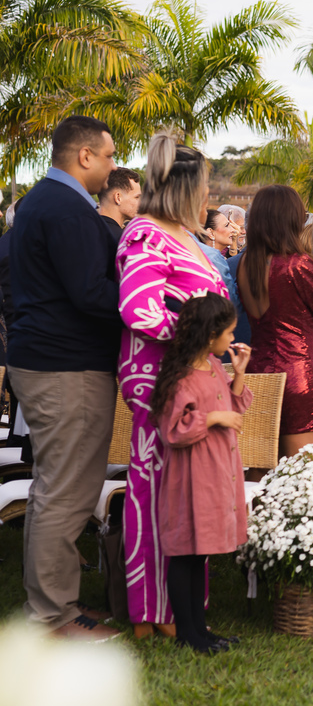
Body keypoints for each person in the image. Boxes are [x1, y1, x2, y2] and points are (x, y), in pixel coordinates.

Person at [116, 134, 235, 638]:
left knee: (192, 493)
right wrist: (198, 341)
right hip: (161, 381)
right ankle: (152, 609)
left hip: (194, 376)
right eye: (205, 188)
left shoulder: (186, 237)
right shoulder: (145, 234)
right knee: (158, 493)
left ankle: (186, 610)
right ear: (185, 189)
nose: (208, 199)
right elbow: (138, 308)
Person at [8, 116, 122, 641]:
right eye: (109, 156)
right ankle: (53, 616)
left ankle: (57, 604)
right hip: (66, 366)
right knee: (66, 491)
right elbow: (91, 293)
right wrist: (154, 308)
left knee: (58, 488)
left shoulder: (38, 203)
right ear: (84, 157)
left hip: (47, 358)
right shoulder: (67, 208)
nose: (114, 166)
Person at [149, 293, 251, 654]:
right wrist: (211, 418)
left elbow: (232, 406)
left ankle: (198, 630)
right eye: (228, 333)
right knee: (185, 553)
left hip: (216, 469)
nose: (232, 339)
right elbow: (171, 429)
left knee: (200, 552)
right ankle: (187, 633)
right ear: (210, 336)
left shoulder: (214, 367)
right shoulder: (182, 377)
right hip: (191, 476)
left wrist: (237, 375)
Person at [238, 185, 313, 457]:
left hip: (260, 368)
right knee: (301, 466)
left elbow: (285, 299)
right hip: (297, 372)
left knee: (262, 462)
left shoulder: (249, 262)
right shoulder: (296, 263)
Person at [97, 167, 141, 243]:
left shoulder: (85, 230)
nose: (141, 203)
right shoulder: (124, 241)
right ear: (118, 198)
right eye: (136, 197)